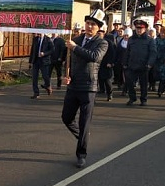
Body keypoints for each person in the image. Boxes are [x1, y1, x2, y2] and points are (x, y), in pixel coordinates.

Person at [62, 9, 108, 168]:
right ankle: (82, 136)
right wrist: (66, 74)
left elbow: (94, 57)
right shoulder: (75, 39)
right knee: (66, 118)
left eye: (93, 24)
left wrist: (75, 48)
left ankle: (81, 153)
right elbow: (69, 61)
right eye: (88, 23)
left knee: (84, 122)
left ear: (98, 27)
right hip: (73, 85)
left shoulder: (102, 43)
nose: (89, 26)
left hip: (89, 87)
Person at [122, 19, 156, 106]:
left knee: (143, 84)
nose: (139, 30)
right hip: (132, 65)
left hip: (143, 65)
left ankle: (143, 99)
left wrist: (149, 64)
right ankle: (132, 98)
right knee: (129, 82)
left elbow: (153, 53)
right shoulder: (131, 39)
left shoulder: (150, 40)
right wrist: (125, 63)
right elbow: (127, 52)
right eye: (137, 28)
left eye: (141, 28)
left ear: (145, 29)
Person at [29, 32, 54, 98]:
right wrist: (30, 61)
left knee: (45, 76)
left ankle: (48, 86)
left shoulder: (48, 39)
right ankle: (36, 93)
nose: (38, 34)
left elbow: (52, 50)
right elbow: (32, 50)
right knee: (34, 77)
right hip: (36, 60)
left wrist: (44, 53)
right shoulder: (35, 39)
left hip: (44, 61)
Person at [97, 28, 116, 101]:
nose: (99, 35)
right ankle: (102, 89)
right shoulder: (95, 41)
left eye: (100, 33)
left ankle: (110, 94)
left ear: (103, 34)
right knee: (99, 79)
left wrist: (111, 62)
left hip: (106, 64)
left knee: (107, 80)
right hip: (98, 63)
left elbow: (112, 53)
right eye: (98, 33)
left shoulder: (108, 42)